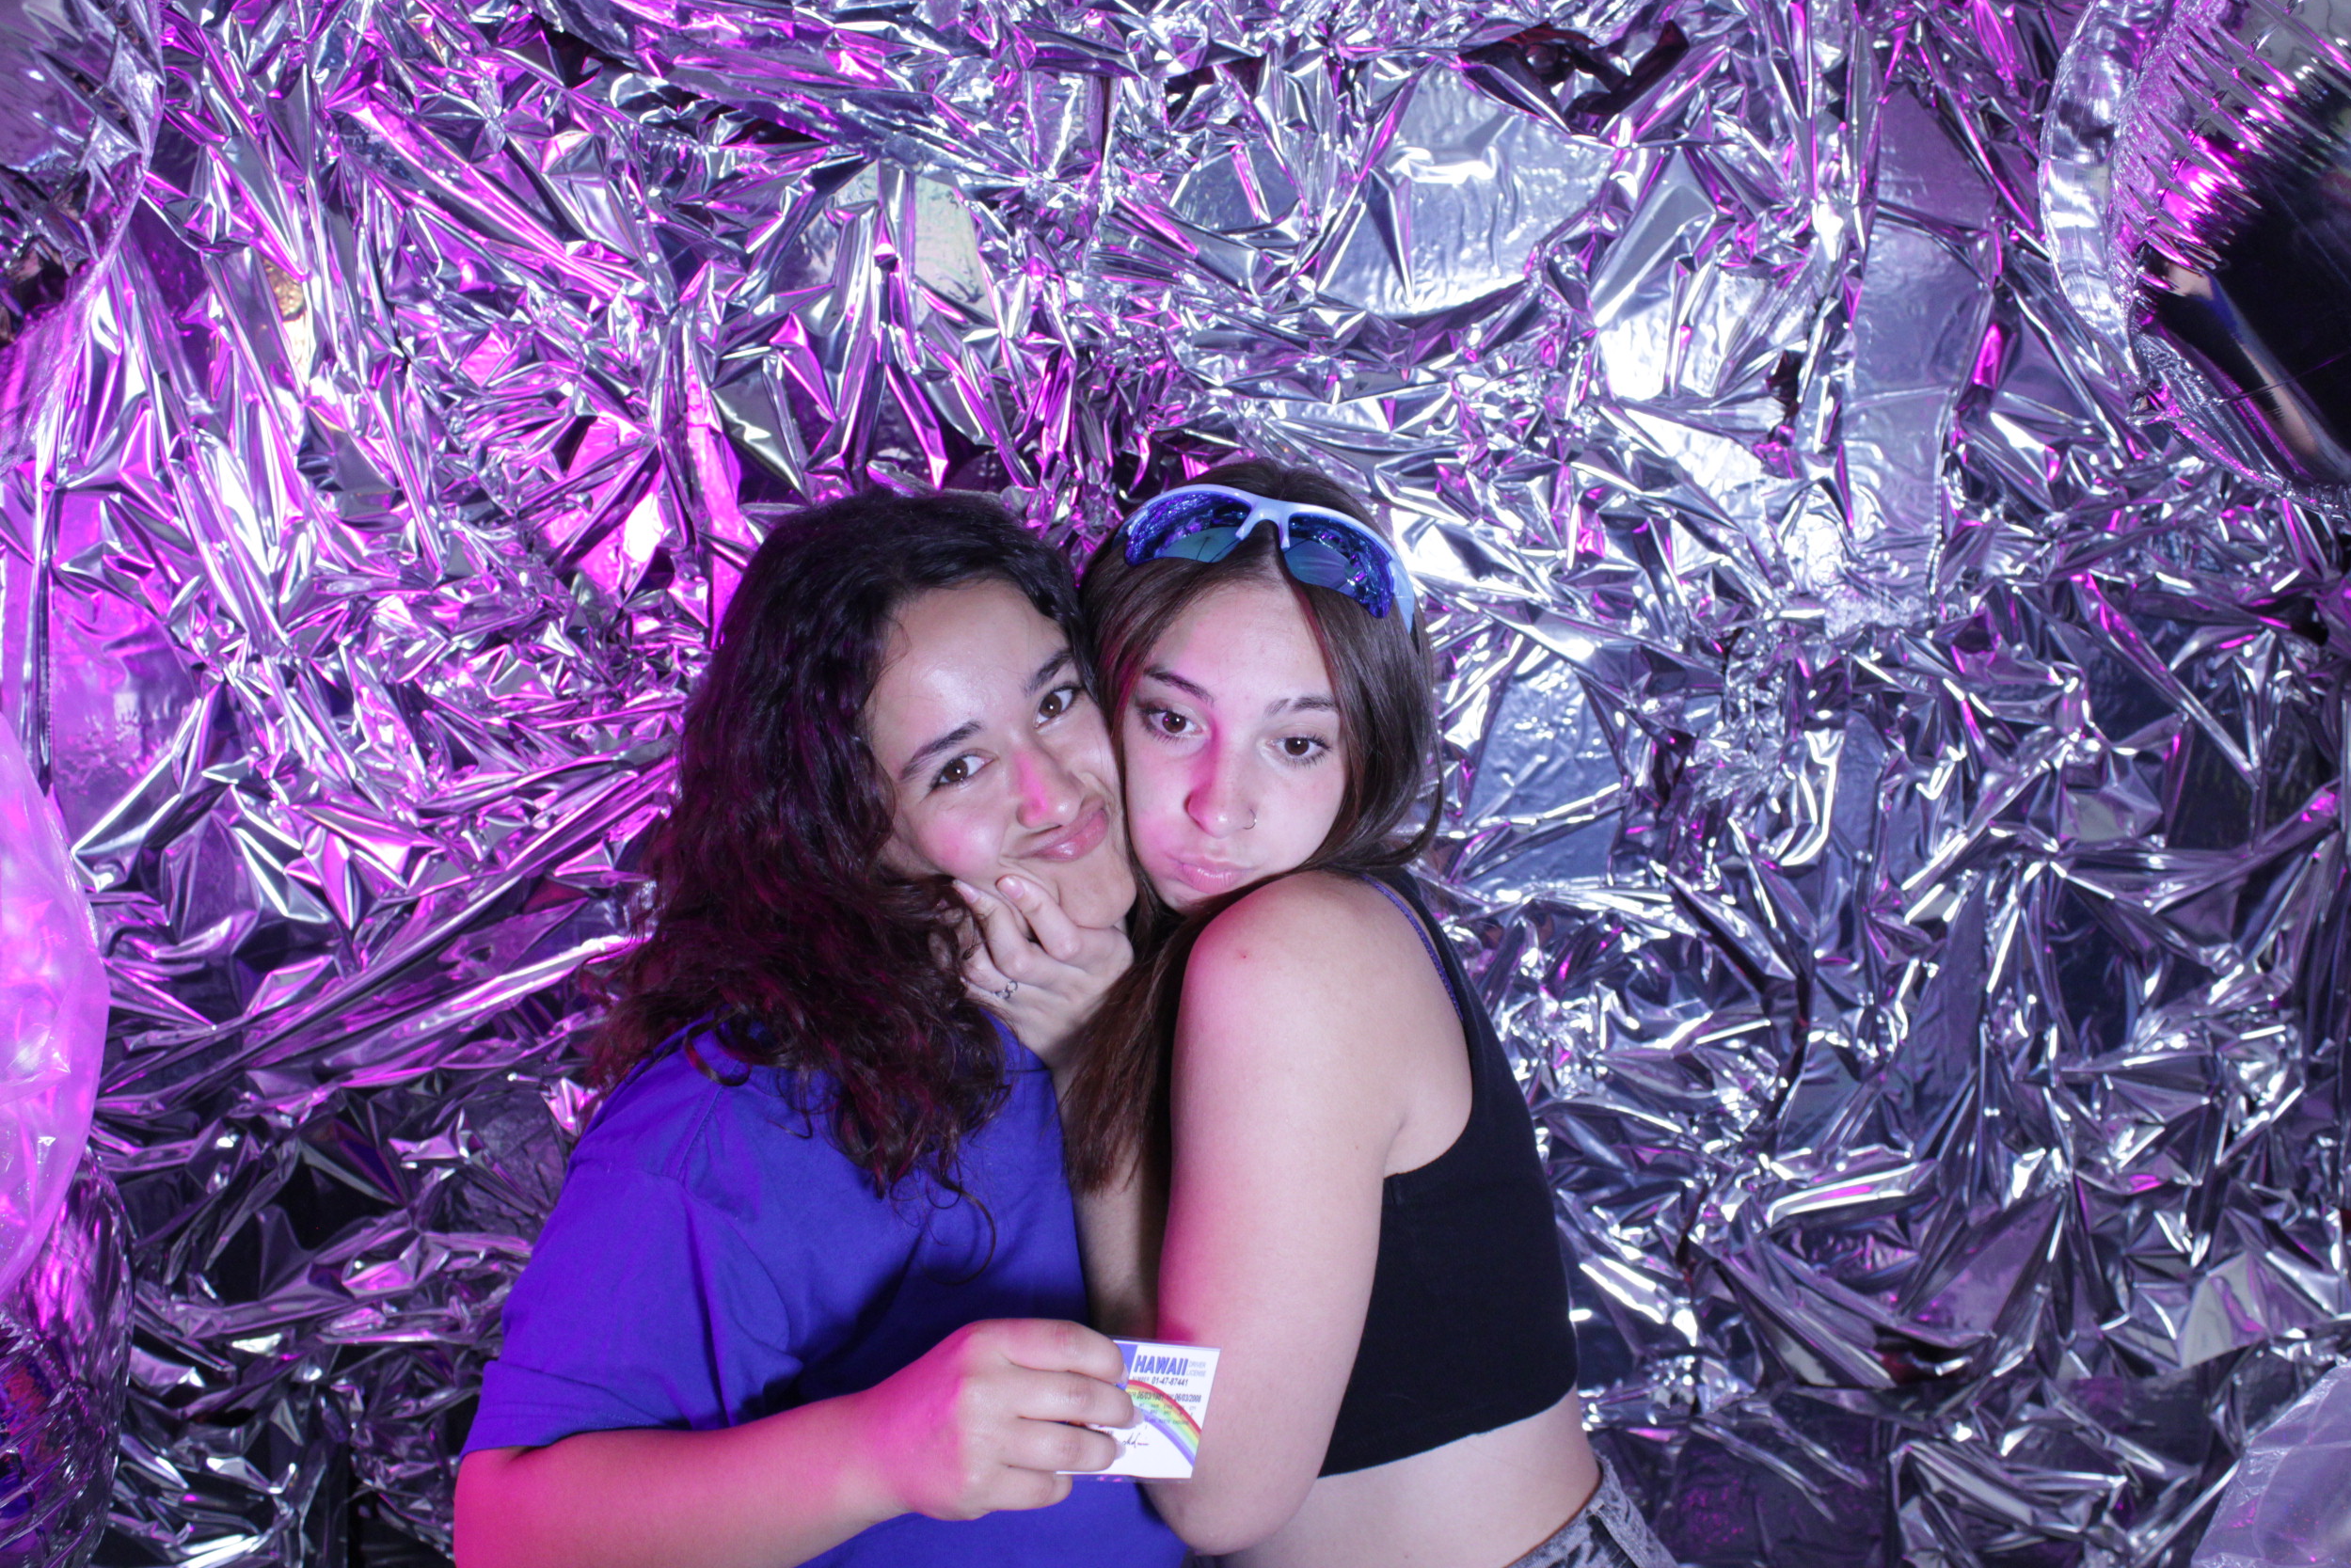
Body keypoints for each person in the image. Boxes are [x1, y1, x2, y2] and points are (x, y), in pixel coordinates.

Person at [452, 491, 1185, 1568]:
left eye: (1057, 699)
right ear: (846, 830)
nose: (1054, 794)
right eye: (958, 767)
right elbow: (502, 1537)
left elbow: (1192, 1453)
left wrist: (1104, 1064)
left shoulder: (1199, 987)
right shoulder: (738, 1120)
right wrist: (875, 1454)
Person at [1055, 462, 1675, 1568]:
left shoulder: (1288, 955)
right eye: (1171, 718)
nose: (1220, 804)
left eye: (1298, 741)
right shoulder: (1300, 935)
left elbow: (1212, 1489)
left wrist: (1078, 1081)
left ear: (1365, 757)